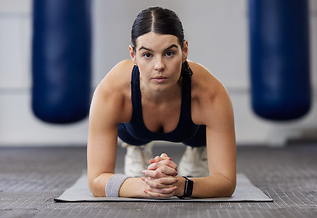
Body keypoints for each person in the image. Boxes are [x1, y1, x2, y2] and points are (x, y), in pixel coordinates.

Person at [87, 6, 236, 199]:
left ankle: (197, 151)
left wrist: (180, 184)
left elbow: (226, 182)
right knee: (133, 132)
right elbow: (95, 180)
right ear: (133, 55)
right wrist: (149, 185)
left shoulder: (210, 93)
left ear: (184, 51)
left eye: (169, 53)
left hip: (193, 132)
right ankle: (136, 147)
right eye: (147, 54)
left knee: (199, 138)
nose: (159, 66)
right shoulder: (111, 92)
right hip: (134, 130)